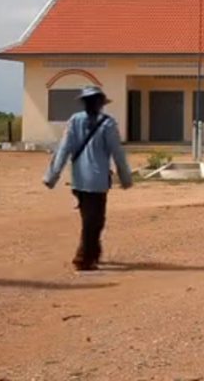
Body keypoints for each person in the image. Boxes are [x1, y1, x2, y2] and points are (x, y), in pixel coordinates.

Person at [44, 86, 133, 271]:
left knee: (90, 219)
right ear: (101, 103)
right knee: (94, 221)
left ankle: (94, 253)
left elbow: (63, 149)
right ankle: (83, 258)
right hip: (98, 181)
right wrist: (125, 178)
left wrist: (52, 176)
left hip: (79, 180)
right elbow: (117, 152)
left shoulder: (74, 121)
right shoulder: (108, 123)